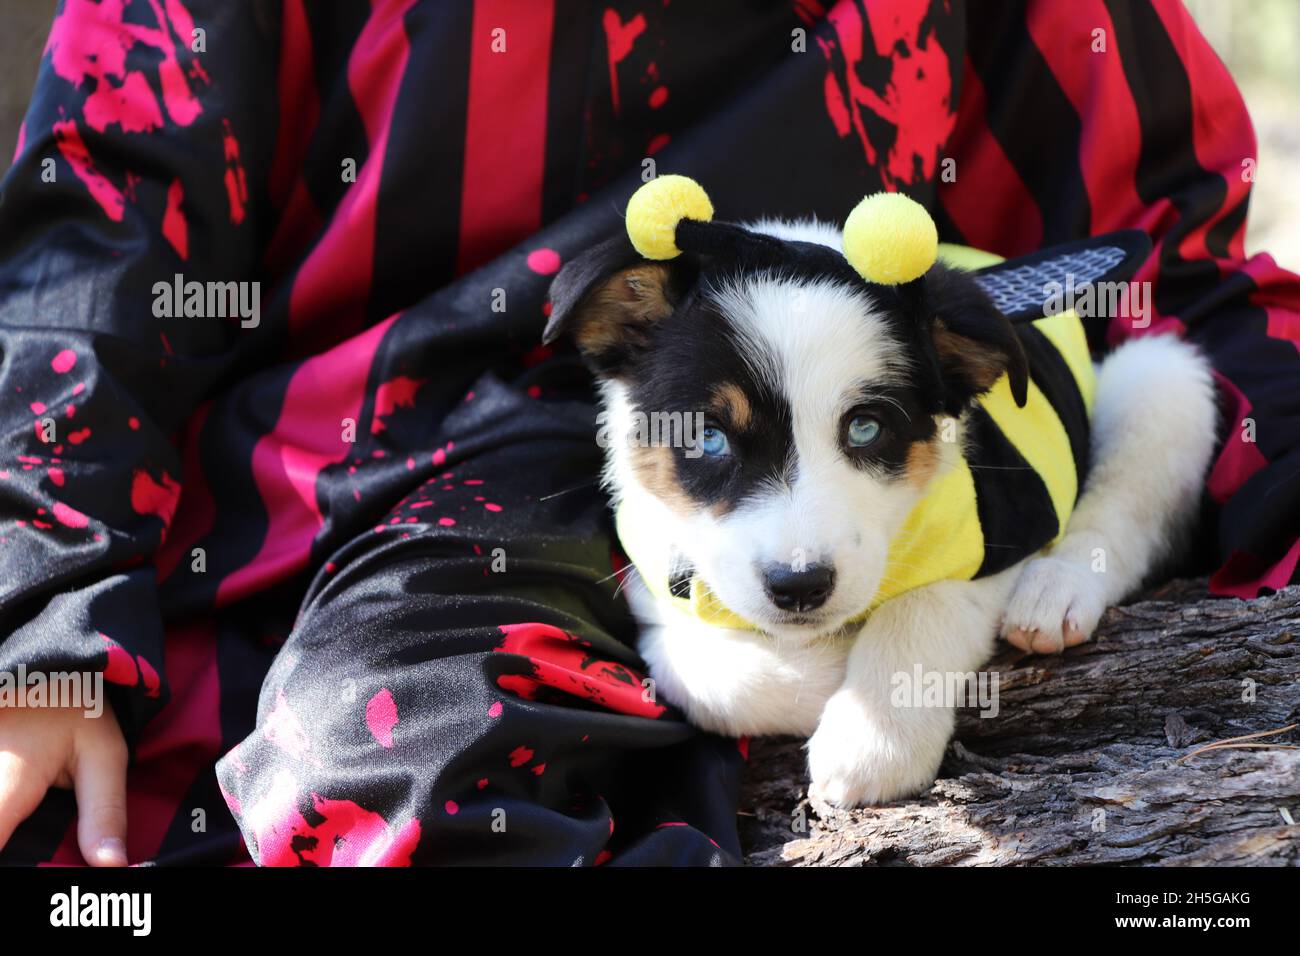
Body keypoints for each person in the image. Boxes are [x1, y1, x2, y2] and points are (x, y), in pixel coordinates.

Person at [1, 0, 1296, 866]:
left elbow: (1169, 265)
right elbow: (101, 215)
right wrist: (44, 612)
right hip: (364, 463)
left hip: (829, 475)